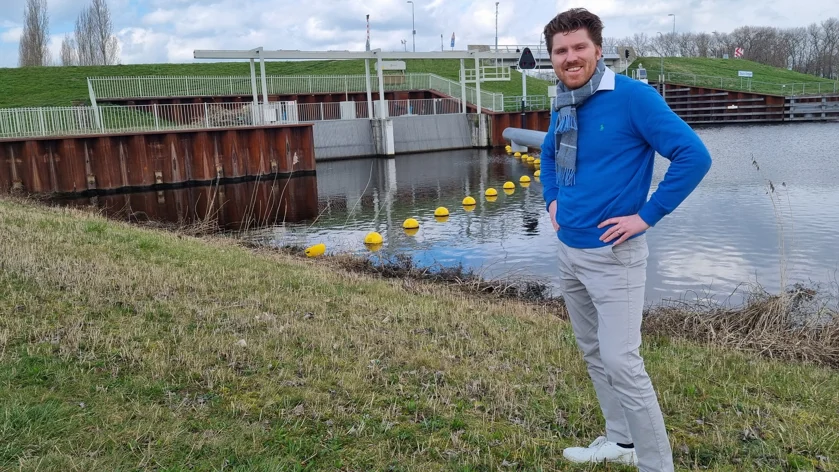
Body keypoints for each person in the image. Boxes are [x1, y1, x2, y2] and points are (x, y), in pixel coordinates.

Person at [538, 8, 712, 472]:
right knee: (593, 351)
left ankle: (657, 465)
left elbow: (693, 156)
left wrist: (647, 215)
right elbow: (550, 155)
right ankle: (620, 442)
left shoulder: (634, 98)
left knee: (622, 361)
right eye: (561, 51)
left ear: (598, 49)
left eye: (579, 48)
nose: (570, 58)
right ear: (551, 58)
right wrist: (551, 200)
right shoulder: (564, 100)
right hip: (569, 250)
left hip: (616, 256)